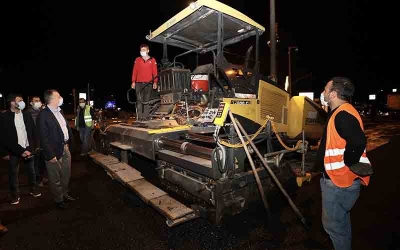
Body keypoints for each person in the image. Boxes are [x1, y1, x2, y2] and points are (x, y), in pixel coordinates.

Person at [317, 77, 371, 250]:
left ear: (333, 94)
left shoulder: (342, 115)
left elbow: (358, 141)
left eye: (326, 89)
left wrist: (349, 161)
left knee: (334, 227)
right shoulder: (341, 111)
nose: (323, 92)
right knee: (340, 222)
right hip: (342, 180)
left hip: (338, 182)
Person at [37, 89, 76, 209]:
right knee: (55, 178)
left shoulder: (60, 111)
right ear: (52, 99)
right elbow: (42, 137)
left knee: (66, 174)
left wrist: (67, 144)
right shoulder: (43, 115)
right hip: (53, 151)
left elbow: (64, 129)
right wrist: (50, 154)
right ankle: (58, 200)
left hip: (65, 148)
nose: (61, 98)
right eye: (58, 96)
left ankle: (65, 194)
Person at [1, 94, 41, 205]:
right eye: (20, 100)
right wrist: (4, 153)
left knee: (31, 171)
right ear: (12, 103)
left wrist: (34, 147)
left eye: (23, 100)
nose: (23, 102)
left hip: (28, 148)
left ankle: (33, 189)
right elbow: (4, 138)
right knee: (13, 174)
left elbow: (33, 131)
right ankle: (15, 195)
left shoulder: (26, 115)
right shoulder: (4, 117)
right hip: (13, 151)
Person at [131, 43, 158, 121]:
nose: (142, 51)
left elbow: (155, 72)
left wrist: (155, 82)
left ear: (148, 50)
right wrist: (133, 82)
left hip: (148, 84)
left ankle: (145, 117)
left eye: (144, 50)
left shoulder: (152, 60)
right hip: (138, 84)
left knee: (146, 101)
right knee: (139, 101)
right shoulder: (137, 59)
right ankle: (139, 118)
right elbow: (134, 71)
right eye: (141, 50)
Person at [28, 96, 48, 186]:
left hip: (43, 139)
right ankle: (37, 180)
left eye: (39, 100)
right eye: (36, 101)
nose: (38, 102)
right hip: (34, 140)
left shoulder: (42, 111)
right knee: (36, 161)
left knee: (43, 160)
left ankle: (42, 177)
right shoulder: (28, 113)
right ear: (31, 103)